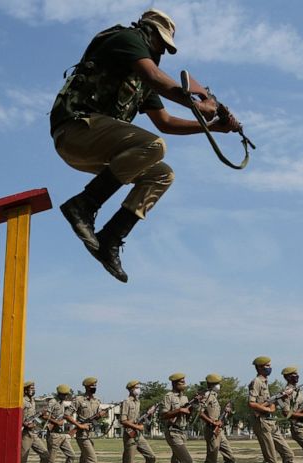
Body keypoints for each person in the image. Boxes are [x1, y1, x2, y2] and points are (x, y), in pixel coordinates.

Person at [50, 9, 240, 282]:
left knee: (162, 174)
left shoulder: (142, 80)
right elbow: (154, 77)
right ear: (149, 32)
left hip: (95, 147)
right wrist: (200, 104)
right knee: (154, 146)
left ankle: (110, 240)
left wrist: (213, 127)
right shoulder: (127, 39)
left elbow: (165, 122)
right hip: (75, 130)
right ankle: (84, 205)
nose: (161, 53)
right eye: (161, 45)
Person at [234, 356, 300, 463]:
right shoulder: (256, 382)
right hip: (262, 423)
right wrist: (267, 408)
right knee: (271, 460)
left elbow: (272, 404)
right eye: (266, 366)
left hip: (271, 422)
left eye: (270, 365)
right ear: (259, 368)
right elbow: (251, 403)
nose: (269, 368)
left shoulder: (265, 383)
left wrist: (280, 399)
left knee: (288, 454)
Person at [152, 373, 197, 463]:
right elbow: (164, 414)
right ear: (174, 383)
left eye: (184, 381)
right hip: (173, 432)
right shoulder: (169, 397)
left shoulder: (185, 397)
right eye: (181, 382)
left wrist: (191, 410)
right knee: (187, 462)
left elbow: (187, 417)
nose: (184, 384)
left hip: (182, 432)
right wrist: (179, 410)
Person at [191, 373, 237, 463]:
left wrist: (225, 414)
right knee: (211, 462)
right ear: (212, 384)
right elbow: (199, 413)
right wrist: (212, 422)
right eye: (218, 383)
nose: (219, 385)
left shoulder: (214, 396)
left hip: (219, 431)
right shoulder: (207, 395)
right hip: (212, 431)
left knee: (231, 458)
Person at [112, 380, 157, 463]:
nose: (138, 389)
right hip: (130, 435)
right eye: (137, 387)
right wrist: (137, 426)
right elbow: (123, 420)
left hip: (138, 435)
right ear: (131, 389)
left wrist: (149, 415)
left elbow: (138, 419)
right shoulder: (126, 402)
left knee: (151, 457)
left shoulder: (138, 402)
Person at [64, 377, 104, 463]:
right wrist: (79, 425)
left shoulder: (97, 401)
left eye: (95, 385)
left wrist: (100, 416)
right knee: (92, 461)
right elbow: (67, 415)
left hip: (91, 434)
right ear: (87, 387)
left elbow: (96, 419)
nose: (94, 387)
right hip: (82, 435)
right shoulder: (79, 399)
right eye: (92, 385)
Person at [20, 381, 51, 463]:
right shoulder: (22, 401)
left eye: (34, 388)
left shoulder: (33, 401)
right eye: (31, 388)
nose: (33, 389)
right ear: (25, 389)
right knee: (21, 461)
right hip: (26, 434)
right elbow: (19, 417)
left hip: (34, 434)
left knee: (46, 456)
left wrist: (40, 416)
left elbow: (33, 417)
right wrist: (25, 424)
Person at [45, 384, 76, 463]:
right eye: (64, 394)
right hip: (53, 434)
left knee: (72, 456)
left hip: (61, 434)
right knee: (51, 461)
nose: (65, 396)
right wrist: (57, 422)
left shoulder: (62, 403)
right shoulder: (53, 402)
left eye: (66, 394)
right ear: (59, 393)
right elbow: (45, 415)